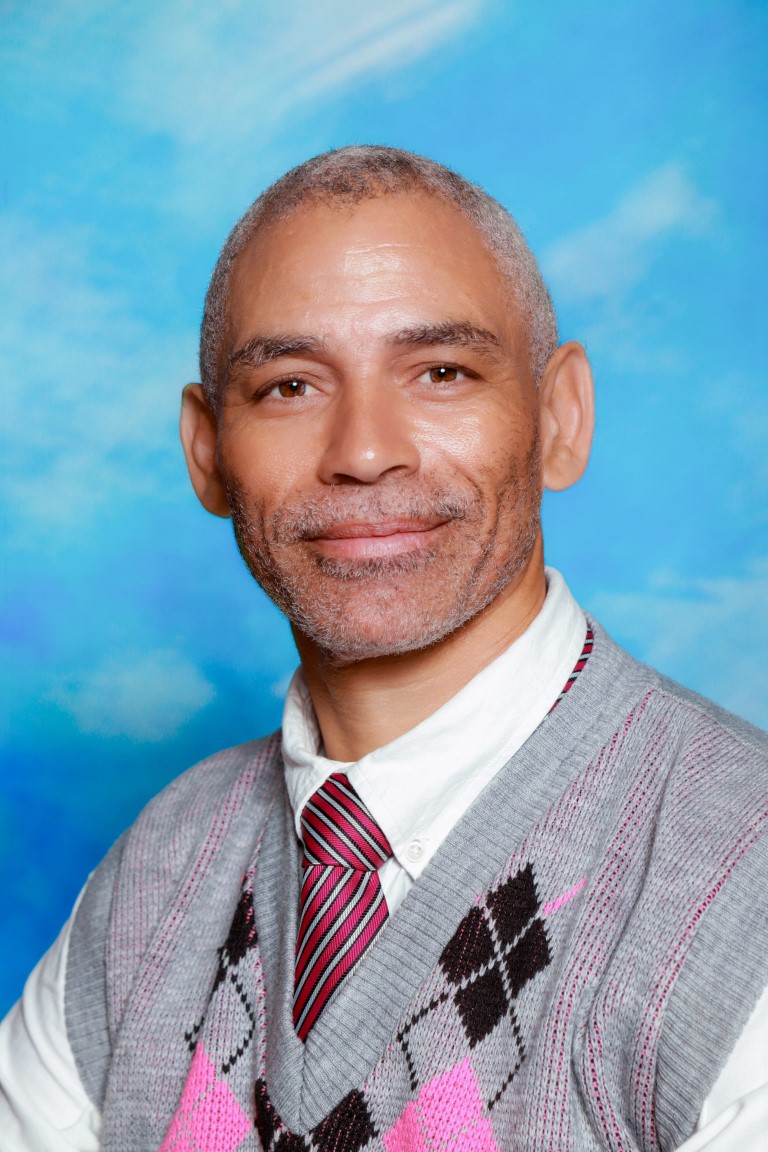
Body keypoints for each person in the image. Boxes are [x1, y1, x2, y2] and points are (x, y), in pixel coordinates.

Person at [0, 146, 766, 1152]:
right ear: (207, 450)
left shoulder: (737, 888)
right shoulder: (155, 881)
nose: (363, 451)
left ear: (560, 418)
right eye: (289, 386)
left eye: (442, 372)